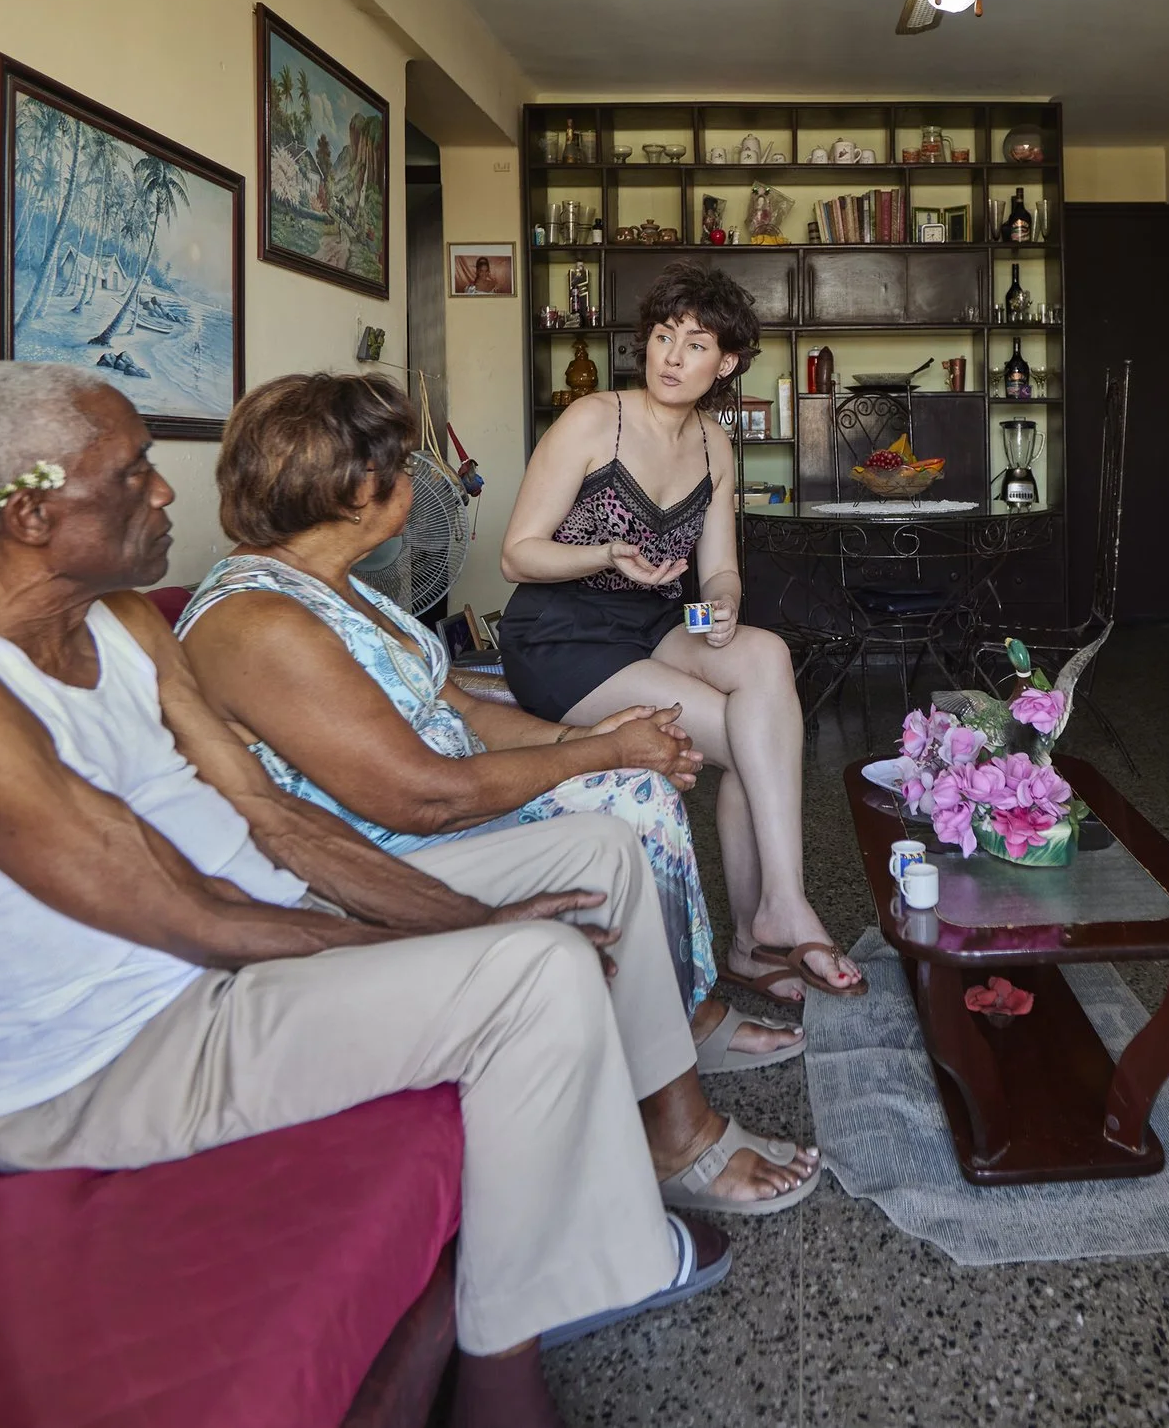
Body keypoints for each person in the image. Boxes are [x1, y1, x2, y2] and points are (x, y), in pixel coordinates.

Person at [0, 362, 816, 1428]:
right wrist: (471, 927)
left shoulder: (119, 620)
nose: (164, 493)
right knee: (538, 967)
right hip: (109, 1058)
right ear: (32, 509)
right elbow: (182, 910)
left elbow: (275, 823)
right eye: (131, 472)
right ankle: (503, 1382)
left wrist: (467, 909)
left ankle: (660, 1147)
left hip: (228, 958)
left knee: (589, 866)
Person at [177, 371, 802, 1073]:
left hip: (437, 802)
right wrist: (602, 756)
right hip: (383, 852)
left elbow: (462, 707)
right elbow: (423, 796)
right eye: (404, 465)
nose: (417, 480)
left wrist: (589, 738)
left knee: (635, 775)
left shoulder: (342, 586)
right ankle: (677, 1038)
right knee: (635, 794)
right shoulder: (261, 623)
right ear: (357, 493)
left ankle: (675, 1012)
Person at [498, 261, 862, 999]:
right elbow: (515, 555)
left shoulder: (714, 445)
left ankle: (771, 917)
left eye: (695, 344)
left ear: (725, 362)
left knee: (765, 653)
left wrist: (723, 601)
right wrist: (605, 552)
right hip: (563, 633)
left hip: (660, 617)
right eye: (663, 336)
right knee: (753, 737)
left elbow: (720, 570)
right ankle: (768, 926)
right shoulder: (594, 418)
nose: (671, 356)